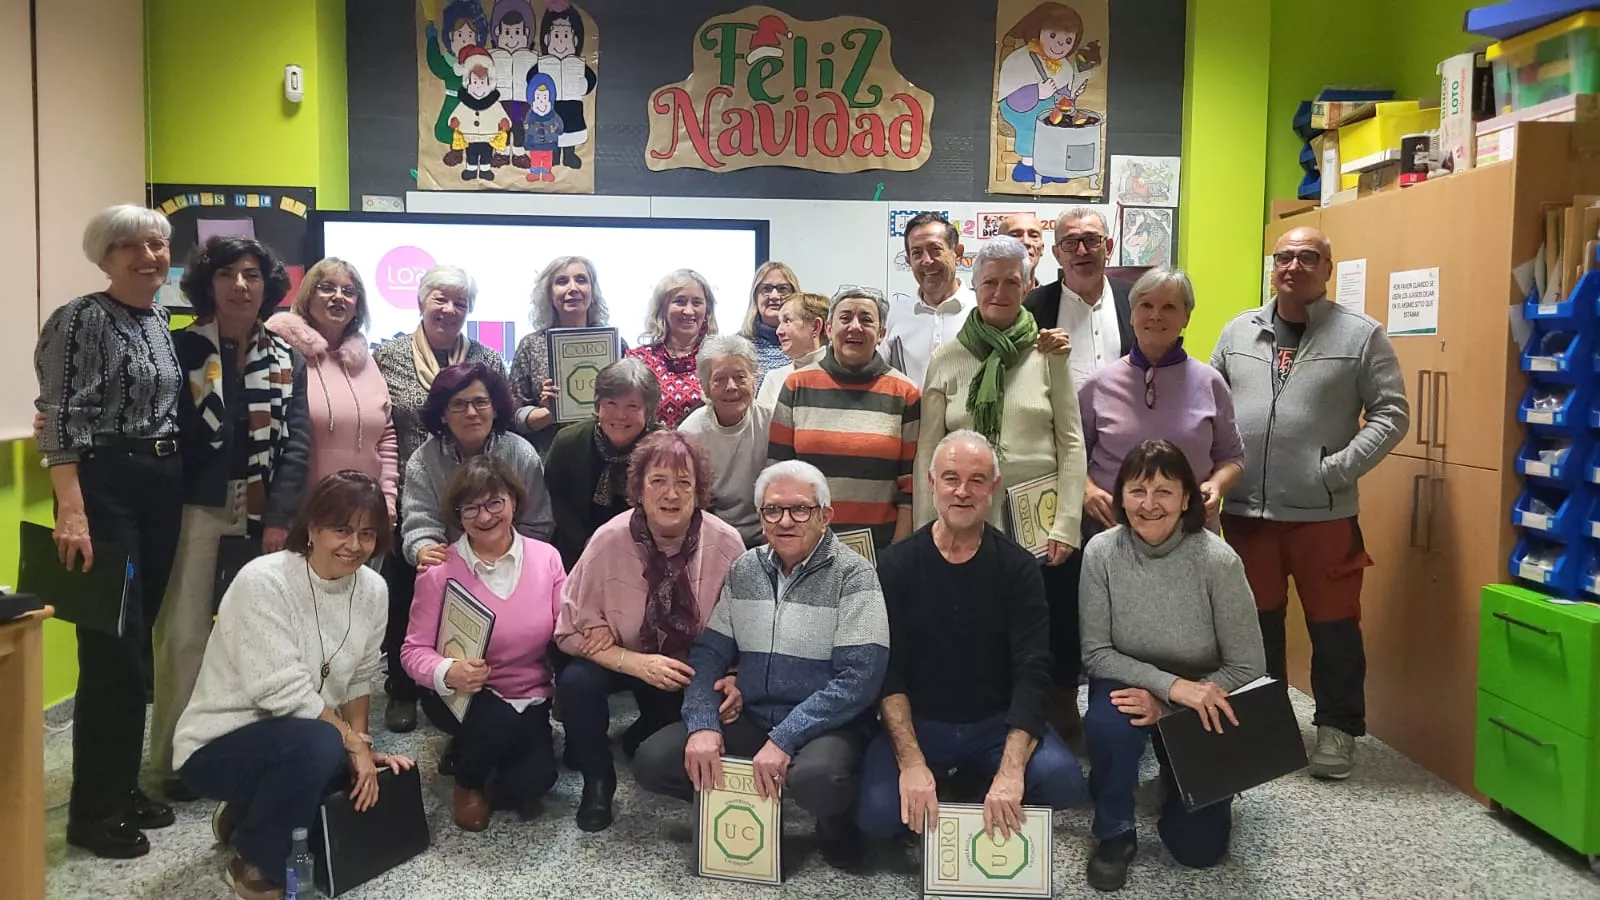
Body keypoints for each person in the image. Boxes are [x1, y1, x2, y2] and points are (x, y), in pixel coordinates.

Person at [1211, 226, 1409, 781]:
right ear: (1273, 266)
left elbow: (1392, 414)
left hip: (1323, 516)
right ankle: (1263, 724)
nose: (1294, 265)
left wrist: (1335, 469)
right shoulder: (1237, 331)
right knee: (1254, 626)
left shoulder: (1360, 335)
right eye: (1285, 256)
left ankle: (1338, 730)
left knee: (1335, 626)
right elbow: (1211, 407)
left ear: (1327, 267)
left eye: (1308, 257)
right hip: (1247, 513)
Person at [633, 460, 890, 871]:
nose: (785, 521)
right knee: (654, 759)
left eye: (800, 509)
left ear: (826, 515)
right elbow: (709, 653)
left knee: (820, 779)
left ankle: (833, 821)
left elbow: (860, 679)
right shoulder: (745, 569)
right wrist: (702, 724)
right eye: (773, 510)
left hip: (826, 724)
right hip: (752, 714)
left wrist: (786, 738)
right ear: (761, 516)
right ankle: (739, 802)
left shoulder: (854, 576)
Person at [174, 472, 414, 900]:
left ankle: (245, 814)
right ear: (313, 528)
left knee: (349, 765)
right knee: (322, 748)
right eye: (341, 529)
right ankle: (254, 864)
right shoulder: (265, 581)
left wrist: (361, 741)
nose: (353, 545)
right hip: (217, 744)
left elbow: (361, 675)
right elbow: (281, 694)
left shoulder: (374, 589)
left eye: (366, 533)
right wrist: (348, 746)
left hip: (301, 733)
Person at [33, 205, 185, 859]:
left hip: (159, 482)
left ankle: (121, 789)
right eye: (130, 246)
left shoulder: (158, 319)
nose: (148, 256)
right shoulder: (81, 318)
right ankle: (91, 814)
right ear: (105, 256)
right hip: (105, 487)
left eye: (156, 244)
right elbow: (61, 415)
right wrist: (72, 511)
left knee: (135, 652)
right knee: (111, 654)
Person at [148, 236, 312, 802]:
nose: (239, 285)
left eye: (251, 275)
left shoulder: (287, 358)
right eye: (226, 274)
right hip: (195, 508)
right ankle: (174, 758)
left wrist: (280, 519)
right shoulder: (178, 351)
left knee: (257, 635)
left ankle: (241, 747)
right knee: (185, 634)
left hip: (264, 509)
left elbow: (297, 446)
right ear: (207, 284)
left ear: (267, 286)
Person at [860, 431, 1084, 846]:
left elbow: (1034, 671)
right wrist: (910, 761)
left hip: (996, 723)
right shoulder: (895, 566)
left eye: (977, 480)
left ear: (994, 488)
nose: (962, 491)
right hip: (922, 722)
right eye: (950, 478)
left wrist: (1011, 770)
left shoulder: (1019, 569)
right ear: (931, 483)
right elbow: (887, 673)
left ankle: (979, 779)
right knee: (876, 816)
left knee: (1063, 783)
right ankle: (942, 782)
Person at [914, 236, 1086, 737]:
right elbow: (928, 449)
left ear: (1029, 285)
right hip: (968, 520)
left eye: (1013, 281)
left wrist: (1067, 524)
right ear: (975, 286)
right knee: (977, 624)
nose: (1001, 291)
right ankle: (984, 717)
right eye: (990, 281)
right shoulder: (947, 359)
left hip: (1039, 522)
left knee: (1044, 623)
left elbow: (1072, 445)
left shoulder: (1048, 352)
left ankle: (1049, 714)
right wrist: (929, 526)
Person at [1078, 440, 1265, 891]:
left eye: (1164, 491)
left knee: (1200, 850)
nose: (1149, 504)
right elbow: (1096, 654)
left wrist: (1173, 705)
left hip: (1205, 693)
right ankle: (1114, 830)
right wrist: (1169, 686)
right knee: (1109, 724)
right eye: (1137, 490)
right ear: (1120, 497)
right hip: (1129, 679)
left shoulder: (1218, 560)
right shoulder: (1101, 552)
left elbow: (1249, 664)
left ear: (1187, 499)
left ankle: (1177, 785)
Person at [554, 431, 746, 832]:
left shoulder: (727, 544)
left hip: (694, 669)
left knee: (653, 744)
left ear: (700, 490)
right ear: (638, 489)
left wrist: (735, 676)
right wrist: (632, 662)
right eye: (658, 481)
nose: (671, 495)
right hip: (631, 658)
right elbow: (568, 631)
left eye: (684, 483)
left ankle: (644, 732)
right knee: (576, 680)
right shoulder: (608, 541)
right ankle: (597, 779)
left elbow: (749, 631)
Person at [375, 263, 507, 733]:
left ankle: (480, 676)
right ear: (420, 301)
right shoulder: (387, 357)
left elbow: (502, 422)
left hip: (482, 495)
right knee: (409, 589)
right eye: (440, 299)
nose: (450, 309)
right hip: (420, 487)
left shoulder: (489, 360)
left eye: (460, 302)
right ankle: (404, 688)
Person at [402, 457, 565, 831]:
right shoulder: (439, 568)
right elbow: (412, 651)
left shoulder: (547, 558)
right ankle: (468, 781)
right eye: (471, 508)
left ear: (514, 502)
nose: (485, 516)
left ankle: (487, 752)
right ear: (458, 515)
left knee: (534, 784)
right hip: (464, 695)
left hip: (531, 693)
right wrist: (448, 671)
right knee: (496, 722)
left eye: (495, 502)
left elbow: (566, 630)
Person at [1080, 267, 1244, 535]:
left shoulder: (1210, 383)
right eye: (1146, 305)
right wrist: (1087, 491)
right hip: (1114, 533)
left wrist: (1217, 485)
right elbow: (1071, 457)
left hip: (1190, 533)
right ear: (1132, 314)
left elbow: (1233, 458)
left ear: (1186, 317)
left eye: (1169, 307)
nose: (1155, 315)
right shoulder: (1097, 386)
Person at [769, 286, 920, 552]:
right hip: (808, 549)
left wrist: (898, 550)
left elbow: (909, 488)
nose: (855, 327)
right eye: (845, 317)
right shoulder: (796, 386)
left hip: (880, 551)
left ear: (881, 334)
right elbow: (777, 476)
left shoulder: (905, 393)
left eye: (866, 320)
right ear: (828, 328)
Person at [267, 258, 401, 519]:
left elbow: (386, 436)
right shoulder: (281, 355)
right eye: (327, 287)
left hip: (365, 513)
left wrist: (387, 498)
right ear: (307, 295)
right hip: (300, 514)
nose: (338, 297)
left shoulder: (367, 361)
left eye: (349, 292)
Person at [400, 362, 554, 569]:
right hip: (449, 566)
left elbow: (538, 523)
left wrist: (504, 559)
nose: (471, 412)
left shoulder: (521, 454)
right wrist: (425, 549)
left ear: (495, 409)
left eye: (480, 402)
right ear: (442, 415)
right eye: (458, 404)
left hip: (516, 564)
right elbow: (420, 525)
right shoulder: (423, 462)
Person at [544, 357, 662, 570]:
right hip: (577, 552)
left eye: (632, 406)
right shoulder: (568, 441)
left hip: (645, 555)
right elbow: (557, 498)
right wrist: (586, 543)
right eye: (611, 403)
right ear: (597, 404)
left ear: (649, 411)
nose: (620, 415)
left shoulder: (663, 449)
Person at [508, 255, 621, 456]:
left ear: (592, 292)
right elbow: (514, 418)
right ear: (550, 294)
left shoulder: (614, 343)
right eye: (561, 281)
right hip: (551, 461)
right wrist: (549, 413)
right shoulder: (531, 345)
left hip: (607, 458)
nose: (572, 288)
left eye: (581, 280)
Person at [1024, 208, 1135, 391]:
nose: (1081, 251)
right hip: (1058, 418)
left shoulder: (1135, 300)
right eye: (1069, 243)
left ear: (1108, 247)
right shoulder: (1032, 307)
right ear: (1057, 254)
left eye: (1091, 240)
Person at [996, 3, 1103, 188]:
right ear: (1036, 31)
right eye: (1053, 36)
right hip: (1017, 106)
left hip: (1048, 106)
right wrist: (1036, 91)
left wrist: (1068, 98)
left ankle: (1053, 166)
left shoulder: (1065, 66)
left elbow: (1062, 94)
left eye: (1068, 41)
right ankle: (1026, 166)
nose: (1060, 44)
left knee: (1061, 123)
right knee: (1036, 122)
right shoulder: (1020, 58)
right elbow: (1010, 95)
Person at [678, 335, 771, 545]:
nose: (731, 387)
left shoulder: (772, 423)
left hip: (769, 534)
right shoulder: (691, 433)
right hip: (712, 537)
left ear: (755, 378)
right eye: (719, 379)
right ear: (706, 387)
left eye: (740, 377)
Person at [885, 212, 976, 386]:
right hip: (913, 413)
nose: (926, 261)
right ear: (909, 261)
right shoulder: (897, 315)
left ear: (958, 253)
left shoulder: (981, 310)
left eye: (935, 250)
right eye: (917, 253)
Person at [626, 268, 718, 429]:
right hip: (650, 452)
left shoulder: (719, 359)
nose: (689, 311)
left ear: (707, 310)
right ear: (663, 308)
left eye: (697, 303)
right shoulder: (637, 360)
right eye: (680, 301)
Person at [754, 291, 829, 414]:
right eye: (780, 322)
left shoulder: (841, 377)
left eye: (787, 320)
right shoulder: (774, 378)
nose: (778, 331)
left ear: (815, 327)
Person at [740, 260, 801, 380]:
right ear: (755, 295)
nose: (774, 296)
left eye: (782, 289)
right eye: (766, 289)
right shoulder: (737, 346)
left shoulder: (808, 346)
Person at [1001, 212, 1047, 291]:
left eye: (1034, 236)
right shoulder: (978, 300)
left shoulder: (1054, 300)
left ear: (1042, 249)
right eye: (1015, 235)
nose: (1026, 242)